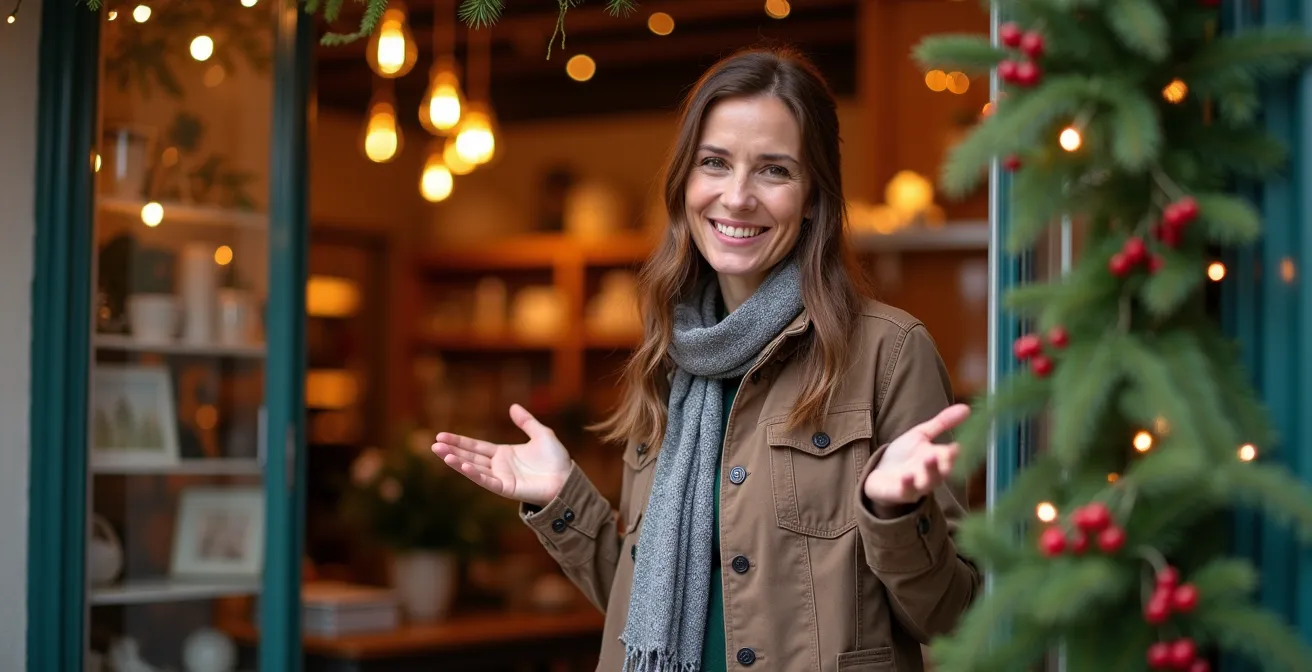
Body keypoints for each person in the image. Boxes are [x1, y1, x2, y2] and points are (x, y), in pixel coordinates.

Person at [433, 46, 982, 672]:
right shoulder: (668, 354)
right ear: (685, 183)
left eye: (774, 171)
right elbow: (648, 607)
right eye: (714, 163)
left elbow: (952, 616)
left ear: (812, 196)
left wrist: (894, 515)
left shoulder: (889, 352)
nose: (737, 197)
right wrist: (564, 500)